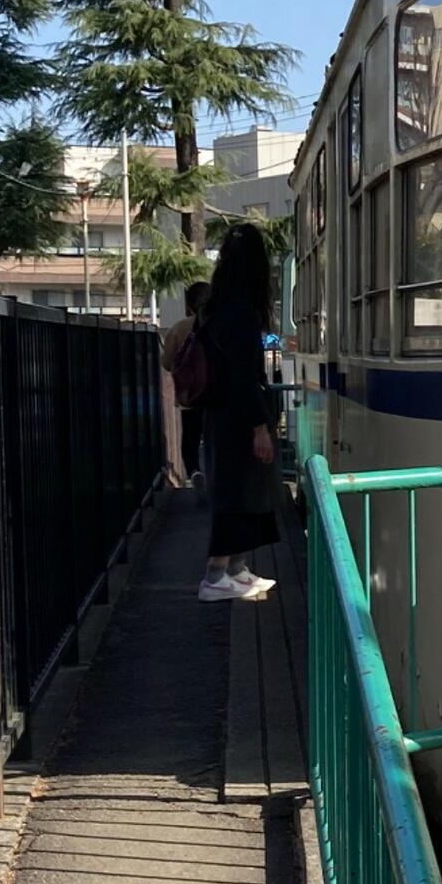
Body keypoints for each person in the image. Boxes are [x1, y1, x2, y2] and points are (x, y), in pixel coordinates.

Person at [197, 226, 280, 604]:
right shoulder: (242, 311)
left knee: (238, 491)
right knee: (239, 493)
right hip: (240, 416)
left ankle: (235, 570)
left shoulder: (214, 306)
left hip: (219, 413)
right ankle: (216, 574)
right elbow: (246, 374)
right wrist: (259, 426)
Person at [159, 280, 212, 490]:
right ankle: (217, 477)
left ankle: (194, 471)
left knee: (190, 438)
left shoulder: (180, 329)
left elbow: (166, 362)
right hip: (219, 396)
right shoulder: (221, 326)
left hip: (190, 395)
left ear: (188, 305)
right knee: (215, 438)